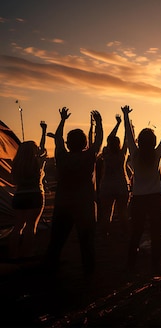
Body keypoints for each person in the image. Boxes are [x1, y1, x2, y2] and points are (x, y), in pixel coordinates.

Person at [45, 108, 103, 277]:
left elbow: (58, 140)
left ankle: (50, 268)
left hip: (63, 204)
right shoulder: (89, 156)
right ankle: (88, 273)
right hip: (84, 206)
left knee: (56, 241)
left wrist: (62, 120)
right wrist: (99, 123)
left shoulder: (62, 156)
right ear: (85, 143)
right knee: (87, 243)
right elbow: (99, 140)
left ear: (68, 144)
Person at [123, 105, 161, 274]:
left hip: (138, 198)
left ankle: (130, 264)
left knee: (136, 232)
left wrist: (126, 116)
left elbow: (129, 136)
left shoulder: (135, 155)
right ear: (154, 142)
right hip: (155, 198)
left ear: (139, 142)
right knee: (156, 233)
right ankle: (155, 266)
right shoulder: (157, 154)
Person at [9, 121, 47, 260]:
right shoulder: (38, 162)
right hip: (35, 195)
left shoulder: (17, 164)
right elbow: (43, 148)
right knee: (31, 226)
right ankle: (28, 253)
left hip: (19, 196)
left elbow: (13, 181)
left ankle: (14, 254)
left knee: (17, 226)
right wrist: (43, 132)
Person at [98, 114, 130, 239]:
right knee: (123, 212)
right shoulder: (122, 154)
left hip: (107, 185)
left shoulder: (106, 153)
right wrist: (126, 122)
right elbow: (127, 138)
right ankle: (125, 232)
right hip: (121, 185)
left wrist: (117, 124)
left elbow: (110, 137)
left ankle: (105, 233)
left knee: (107, 212)